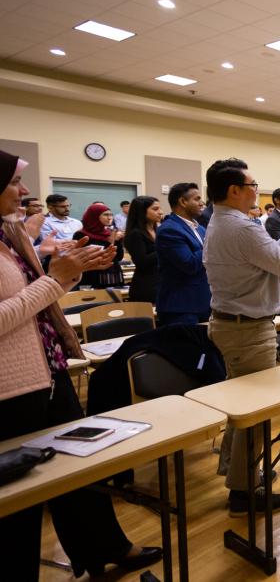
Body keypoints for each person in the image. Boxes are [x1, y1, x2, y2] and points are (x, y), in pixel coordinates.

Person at [0, 149, 162, 579]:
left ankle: (107, 550)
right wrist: (55, 280)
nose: (25, 191)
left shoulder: (6, 236)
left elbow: (36, 296)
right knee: (20, 500)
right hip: (10, 389)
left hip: (45, 371)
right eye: (14, 182)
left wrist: (66, 269)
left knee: (79, 469)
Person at [203, 158, 280, 516]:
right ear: (234, 190)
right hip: (247, 330)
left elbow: (268, 256)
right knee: (254, 414)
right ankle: (245, 493)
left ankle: (238, 477)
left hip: (233, 324)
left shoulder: (226, 222)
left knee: (242, 410)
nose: (257, 189)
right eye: (253, 184)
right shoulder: (242, 227)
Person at [156, 183, 210, 326]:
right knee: (186, 348)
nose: (201, 203)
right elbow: (189, 264)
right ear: (183, 201)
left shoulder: (200, 228)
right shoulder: (169, 230)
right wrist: (211, 244)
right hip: (181, 306)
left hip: (204, 301)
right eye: (197, 199)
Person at [73, 203, 125, 288]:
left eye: (111, 215)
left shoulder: (110, 233)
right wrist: (111, 242)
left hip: (112, 274)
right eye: (106, 215)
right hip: (92, 275)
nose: (109, 218)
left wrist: (118, 241)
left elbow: (119, 257)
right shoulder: (81, 235)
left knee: (116, 300)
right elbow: (91, 257)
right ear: (94, 216)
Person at [123, 196, 162, 303]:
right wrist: (165, 248)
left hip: (161, 281)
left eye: (160, 208)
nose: (160, 212)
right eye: (155, 209)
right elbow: (142, 262)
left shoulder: (158, 230)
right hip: (146, 285)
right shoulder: (135, 233)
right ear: (141, 211)